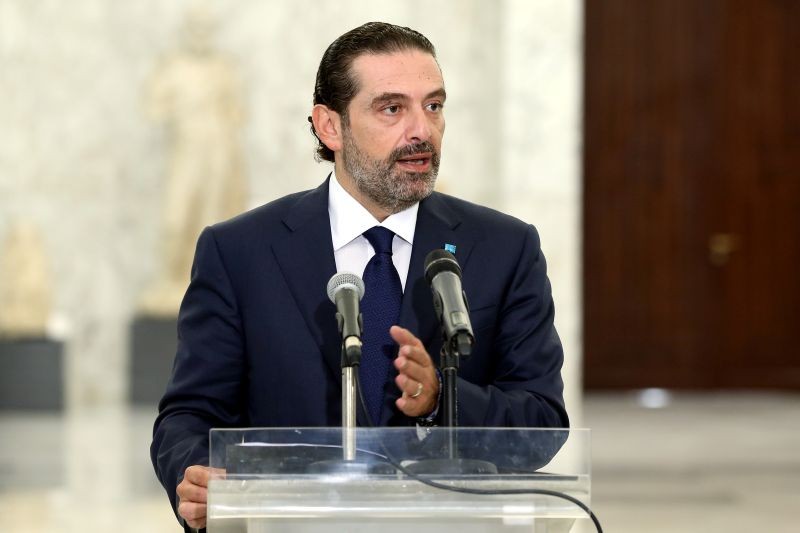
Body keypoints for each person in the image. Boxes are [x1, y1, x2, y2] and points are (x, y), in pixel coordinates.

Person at [151, 22, 568, 531]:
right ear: (330, 126)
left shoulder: (505, 247)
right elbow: (189, 415)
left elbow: (543, 423)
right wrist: (192, 474)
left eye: (433, 106)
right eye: (392, 108)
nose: (422, 130)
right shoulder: (240, 251)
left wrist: (442, 399)